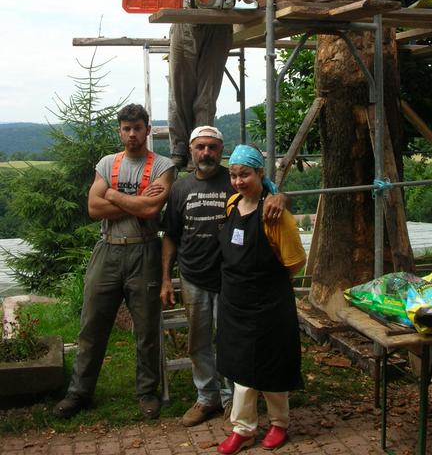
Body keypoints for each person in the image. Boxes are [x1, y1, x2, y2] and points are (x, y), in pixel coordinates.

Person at [53, 104, 175, 420]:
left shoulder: (163, 165)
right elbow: (94, 208)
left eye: (137, 128)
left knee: (147, 328)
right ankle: (79, 393)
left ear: (148, 129)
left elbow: (151, 211)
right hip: (107, 250)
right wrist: (136, 200)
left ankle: (147, 392)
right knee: (91, 324)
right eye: (126, 128)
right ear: (120, 131)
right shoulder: (108, 163)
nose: (132, 134)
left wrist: (114, 196)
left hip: (144, 251)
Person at [161, 126, 287, 431]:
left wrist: (281, 196)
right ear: (191, 150)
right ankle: (207, 397)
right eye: (201, 147)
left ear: (221, 150)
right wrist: (166, 278)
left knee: (232, 341)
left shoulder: (234, 180)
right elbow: (171, 236)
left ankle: (234, 397)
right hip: (192, 277)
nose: (207, 153)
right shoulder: (180, 188)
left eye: (213, 147)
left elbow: (269, 193)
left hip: (231, 278)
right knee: (198, 340)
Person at [216, 144, 306, 455]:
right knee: (240, 368)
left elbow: (295, 261)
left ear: (259, 173)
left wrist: (268, 286)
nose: (238, 181)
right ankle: (243, 429)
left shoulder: (275, 215)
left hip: (270, 304)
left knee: (272, 365)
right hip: (235, 303)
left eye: (245, 175)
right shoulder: (231, 205)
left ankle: (279, 423)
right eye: (233, 175)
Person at [159, 0, 258, 170]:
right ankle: (179, 150)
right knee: (180, 88)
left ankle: (201, 152)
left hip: (219, 27)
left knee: (207, 93)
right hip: (186, 23)